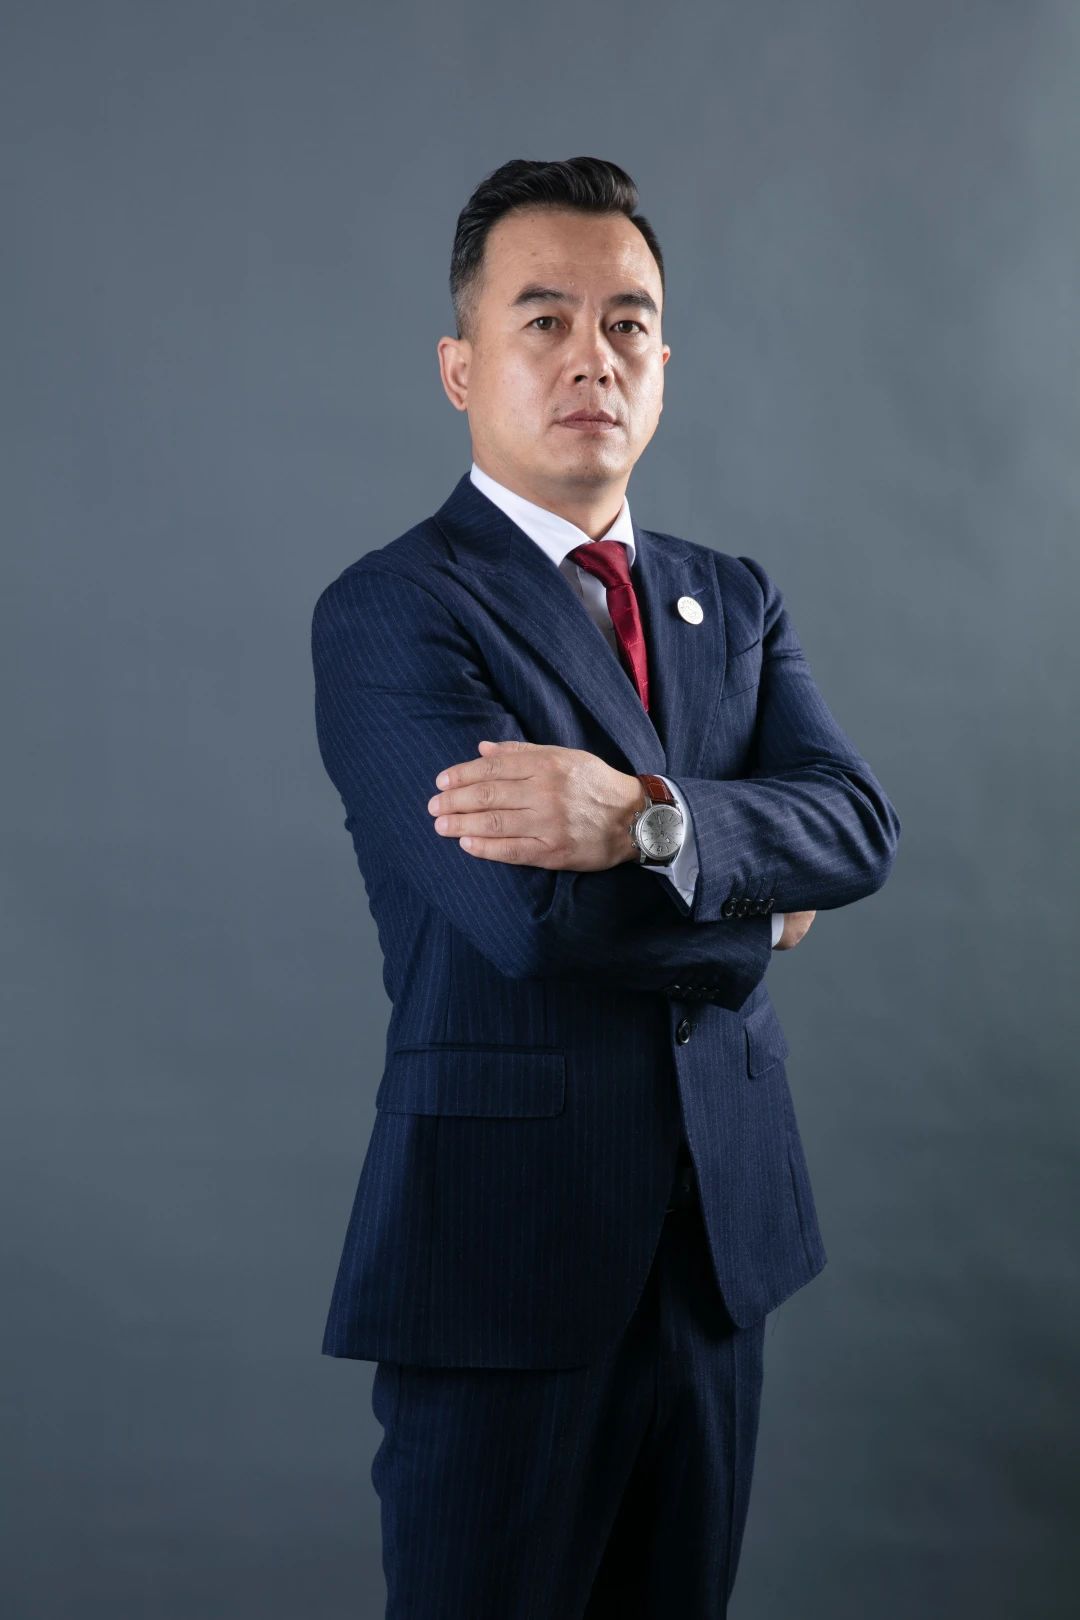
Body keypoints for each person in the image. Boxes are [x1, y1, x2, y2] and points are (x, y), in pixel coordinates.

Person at [310, 154, 900, 1619]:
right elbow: (528, 923)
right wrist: (757, 906)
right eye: (545, 320)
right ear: (462, 367)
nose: (595, 356)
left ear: (665, 365)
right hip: (502, 1265)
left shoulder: (734, 599)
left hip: (718, 1253)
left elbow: (858, 827)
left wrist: (642, 820)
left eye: (628, 322)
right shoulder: (394, 609)